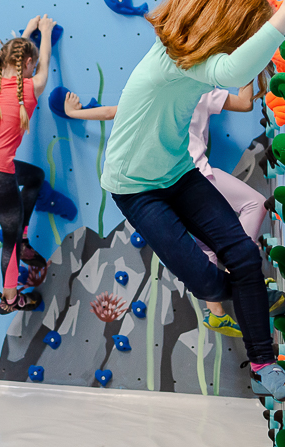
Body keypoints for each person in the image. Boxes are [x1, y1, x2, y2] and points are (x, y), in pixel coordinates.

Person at [99, 0, 285, 402]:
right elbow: (234, 74)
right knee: (210, 283)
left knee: (244, 258)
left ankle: (264, 367)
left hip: (178, 173)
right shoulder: (175, 63)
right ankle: (251, 296)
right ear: (222, 20)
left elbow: (232, 77)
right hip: (136, 189)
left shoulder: (188, 58)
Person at [65, 77, 268, 338]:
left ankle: (214, 312)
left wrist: (75, 113)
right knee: (254, 204)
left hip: (167, 183)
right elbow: (243, 103)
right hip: (194, 174)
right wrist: (248, 74)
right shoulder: (203, 91)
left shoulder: (157, 91)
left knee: (206, 246)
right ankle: (239, 269)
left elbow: (111, 112)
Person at [0, 16, 54, 314]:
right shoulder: (31, 88)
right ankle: (10, 299)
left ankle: (25, 237)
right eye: (31, 65)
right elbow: (44, 62)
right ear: (27, 63)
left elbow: (7, 58)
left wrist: (29, 32)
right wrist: (46, 33)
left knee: (34, 177)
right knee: (10, 241)